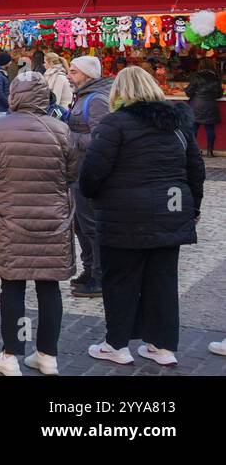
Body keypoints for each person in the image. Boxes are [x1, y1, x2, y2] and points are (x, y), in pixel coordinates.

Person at [80, 67, 205, 367]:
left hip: (123, 216)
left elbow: (92, 173)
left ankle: (117, 344)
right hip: (170, 212)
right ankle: (162, 346)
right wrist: (194, 209)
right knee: (162, 281)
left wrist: (93, 195)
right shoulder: (177, 125)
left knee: (120, 279)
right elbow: (195, 169)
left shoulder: (114, 124)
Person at [0, 71, 77, 376]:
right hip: (52, 221)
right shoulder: (61, 130)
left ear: (15, 95)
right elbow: (72, 172)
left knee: (13, 286)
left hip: (10, 218)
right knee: (49, 286)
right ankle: (47, 354)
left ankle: (11, 354)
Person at [66, 55, 112, 299]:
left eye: (73, 72)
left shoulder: (96, 100)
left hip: (89, 173)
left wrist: (68, 136)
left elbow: (101, 138)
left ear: (88, 75)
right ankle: (89, 268)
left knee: (91, 225)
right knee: (80, 225)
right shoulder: (84, 96)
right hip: (78, 172)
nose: (69, 75)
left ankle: (99, 275)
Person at [184, 68, 222, 157]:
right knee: (210, 130)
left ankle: (193, 151)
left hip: (196, 106)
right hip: (210, 105)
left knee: (193, 130)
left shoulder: (196, 77)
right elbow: (219, 94)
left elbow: (188, 92)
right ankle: (210, 151)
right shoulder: (215, 77)